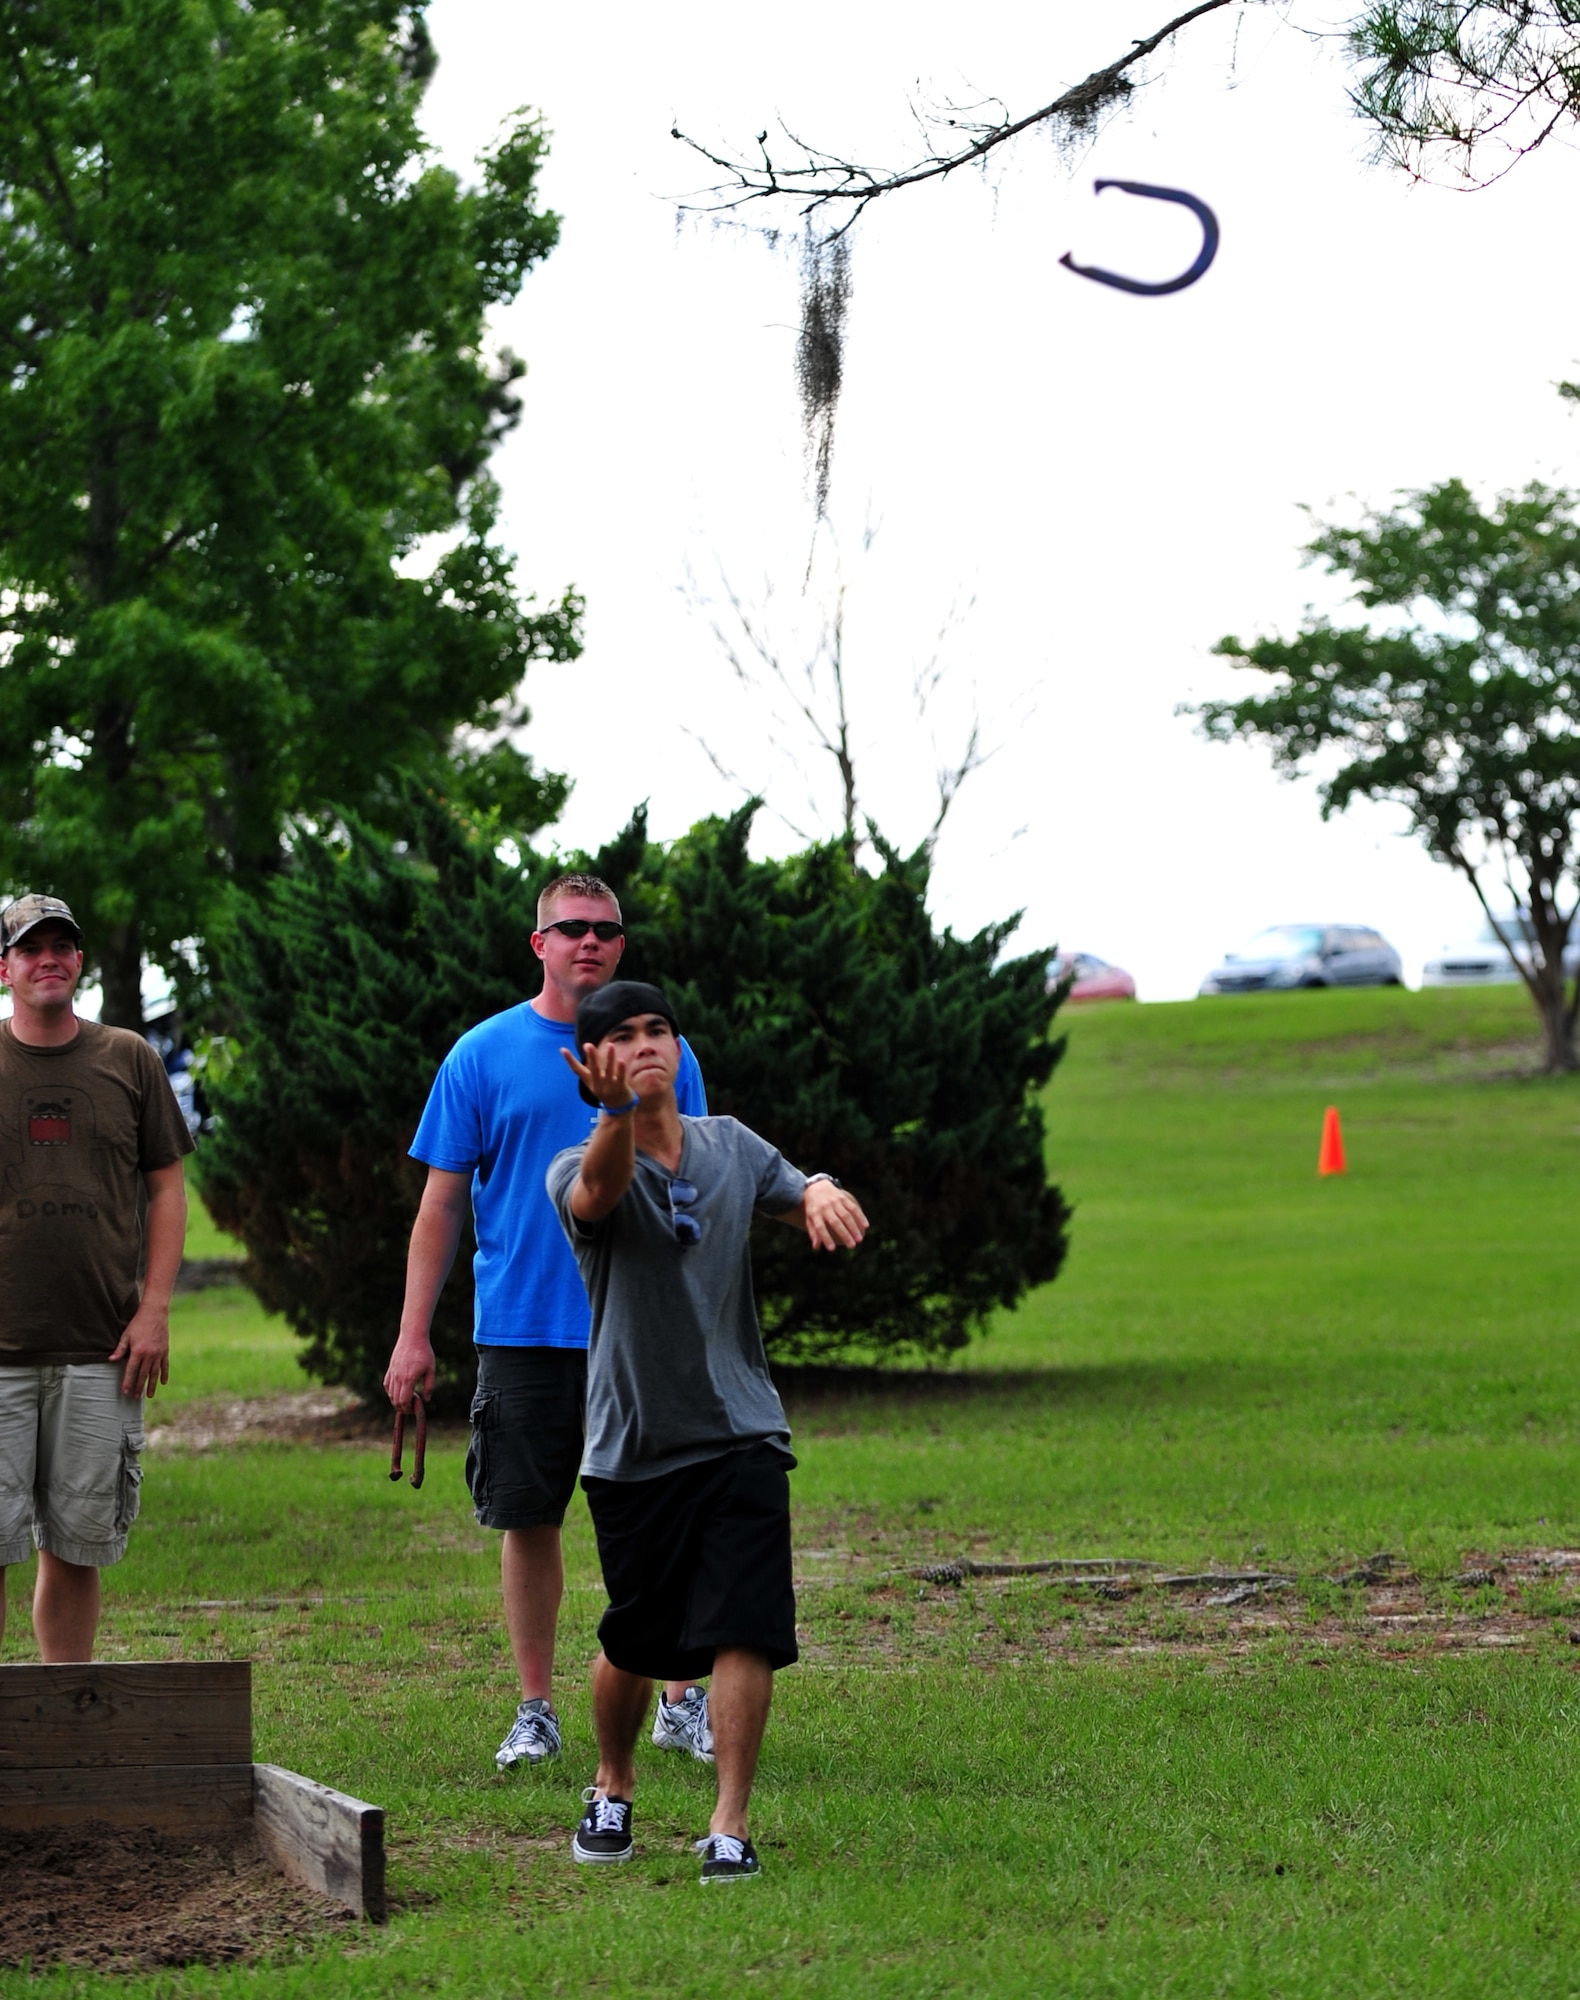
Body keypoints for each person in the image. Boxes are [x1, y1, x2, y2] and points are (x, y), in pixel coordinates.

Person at [383, 874, 714, 1772]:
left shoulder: (665, 1055)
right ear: (540, 945)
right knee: (529, 1517)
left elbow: (696, 1179)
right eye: (571, 929)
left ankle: (680, 1698)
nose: (590, 943)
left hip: (642, 1328)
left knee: (661, 1512)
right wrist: (414, 1335)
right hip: (525, 1327)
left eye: (606, 930)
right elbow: (441, 1207)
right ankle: (537, 1709)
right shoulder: (483, 1055)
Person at [547, 980, 868, 1884]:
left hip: (743, 1431)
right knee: (637, 1642)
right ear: (592, 1062)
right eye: (623, 1035)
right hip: (636, 1446)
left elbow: (792, 1184)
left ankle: (730, 1823)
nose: (646, 1044)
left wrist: (818, 1192)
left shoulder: (730, 1144)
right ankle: (612, 1785)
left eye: (659, 1031)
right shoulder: (574, 1162)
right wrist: (615, 1115)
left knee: (745, 1626)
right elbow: (599, 1200)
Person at [0, 893, 192, 1661]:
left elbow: (168, 1188)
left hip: (101, 1347)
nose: (49, 958)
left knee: (76, 1547)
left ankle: (61, 1710)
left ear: (79, 961)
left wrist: (154, 1310)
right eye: (30, 947)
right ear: (4, 967)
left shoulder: (129, 1058)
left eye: (62, 946)